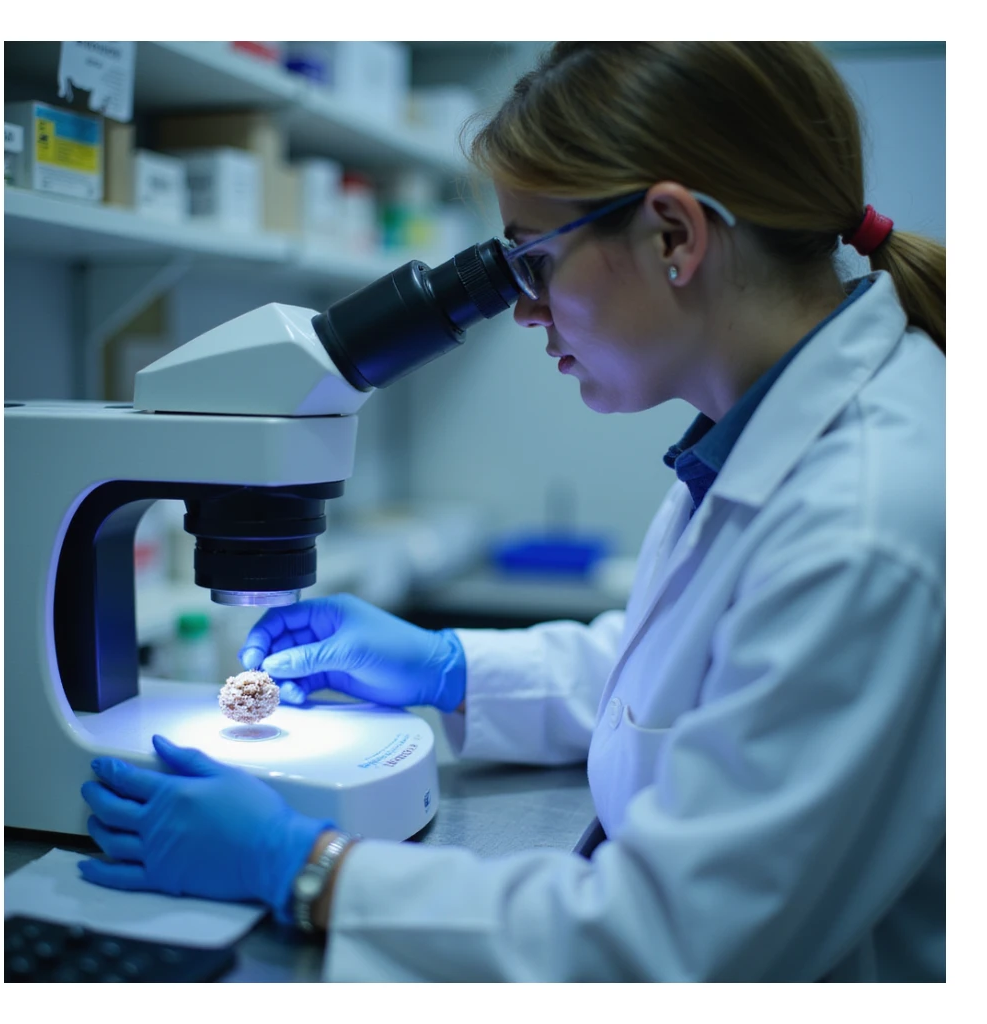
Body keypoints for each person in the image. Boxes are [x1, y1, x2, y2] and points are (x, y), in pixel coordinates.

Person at [78, 41, 945, 982]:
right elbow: (694, 678)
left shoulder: (862, 519)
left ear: (673, 235)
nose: (524, 312)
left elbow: (669, 948)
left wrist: (308, 870)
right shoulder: (769, 429)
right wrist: (450, 669)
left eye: (533, 261)